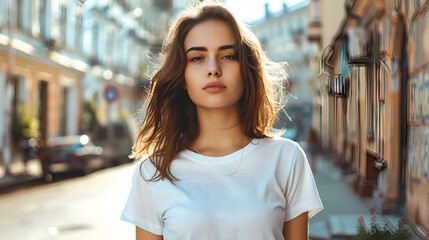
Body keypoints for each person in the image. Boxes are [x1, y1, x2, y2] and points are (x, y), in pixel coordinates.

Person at [121, 2, 323, 239]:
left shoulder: (287, 159)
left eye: (227, 55)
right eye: (197, 58)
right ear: (182, 76)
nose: (213, 69)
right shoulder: (153, 171)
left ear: (246, 70)